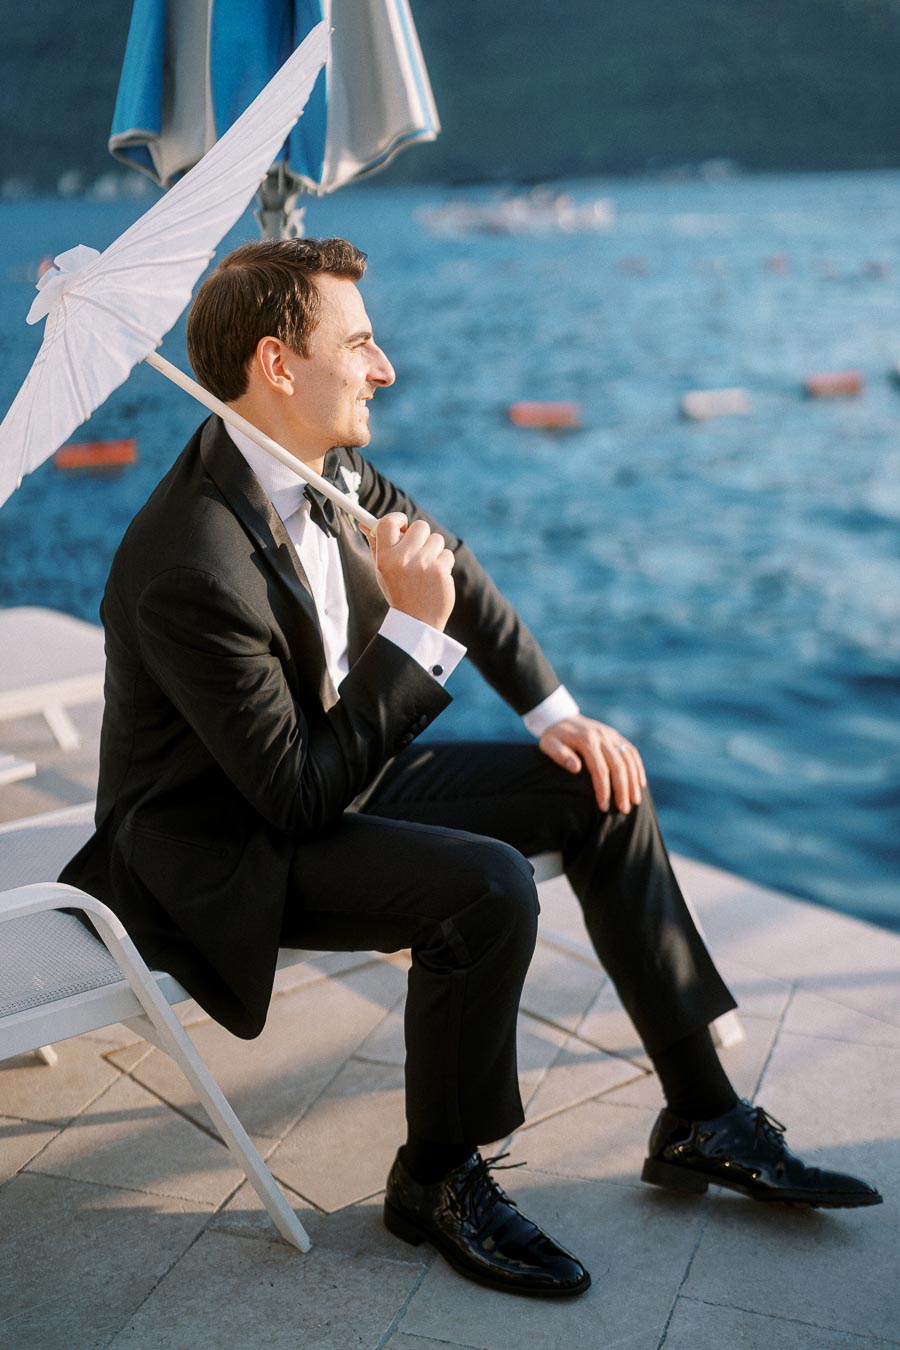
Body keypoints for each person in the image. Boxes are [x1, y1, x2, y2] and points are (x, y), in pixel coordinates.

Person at [61, 237, 881, 1299]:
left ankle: (703, 1116)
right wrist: (414, 637)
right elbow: (297, 798)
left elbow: (457, 576)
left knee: (600, 785)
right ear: (277, 364)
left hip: (330, 767)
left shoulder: (327, 466)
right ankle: (436, 1178)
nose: (385, 364)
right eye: (360, 342)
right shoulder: (185, 560)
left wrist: (562, 716)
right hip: (223, 842)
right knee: (484, 888)